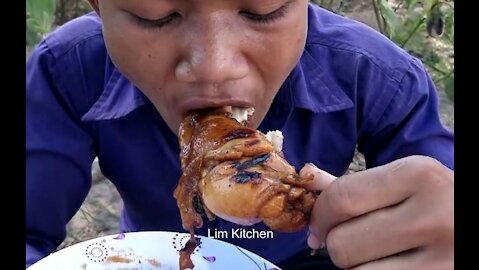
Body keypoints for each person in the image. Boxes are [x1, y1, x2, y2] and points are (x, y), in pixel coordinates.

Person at [26, 0, 454, 269]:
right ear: (98, 6)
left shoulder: (377, 75)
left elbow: (437, 204)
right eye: (153, 15)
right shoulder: (66, 72)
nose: (215, 66)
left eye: (262, 11)